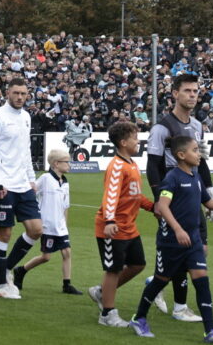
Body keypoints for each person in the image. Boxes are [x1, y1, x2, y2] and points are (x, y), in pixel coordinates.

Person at [128, 136, 213, 343]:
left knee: (202, 282)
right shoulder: (172, 178)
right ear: (181, 155)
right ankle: (139, 318)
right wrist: (178, 229)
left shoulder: (195, 177)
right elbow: (162, 206)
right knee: (160, 281)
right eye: (195, 150)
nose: (199, 154)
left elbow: (209, 202)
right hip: (171, 242)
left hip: (193, 242)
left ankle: (210, 332)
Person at [145, 73, 208, 322]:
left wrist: (208, 193)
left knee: (198, 245)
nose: (192, 95)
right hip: (173, 195)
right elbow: (153, 165)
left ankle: (156, 283)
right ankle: (180, 307)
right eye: (187, 91)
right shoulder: (162, 127)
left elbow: (201, 162)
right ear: (174, 93)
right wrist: (160, 201)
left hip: (192, 192)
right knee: (182, 247)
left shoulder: (198, 126)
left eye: (195, 91)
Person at [88, 121, 155, 328]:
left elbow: (134, 195)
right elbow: (110, 196)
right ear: (124, 142)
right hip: (113, 227)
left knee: (138, 264)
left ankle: (101, 292)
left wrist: (152, 207)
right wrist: (109, 221)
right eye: (135, 138)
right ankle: (107, 314)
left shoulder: (132, 164)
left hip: (129, 227)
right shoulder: (117, 166)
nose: (139, 141)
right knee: (113, 269)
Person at [0, 78, 36, 300]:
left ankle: (7, 268)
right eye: (16, 93)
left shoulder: (26, 117)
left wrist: (32, 178)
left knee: (36, 230)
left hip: (23, 184)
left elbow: (26, 150)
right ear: (8, 93)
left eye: (23, 94)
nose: (20, 97)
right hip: (3, 184)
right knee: (4, 233)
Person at [11, 149, 81, 295]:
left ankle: (66, 284)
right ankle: (21, 270)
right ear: (56, 163)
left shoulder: (66, 183)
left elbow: (65, 206)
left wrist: (65, 225)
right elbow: (31, 193)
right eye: (66, 162)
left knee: (67, 252)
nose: (69, 164)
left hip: (60, 227)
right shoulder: (45, 178)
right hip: (47, 225)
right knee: (46, 257)